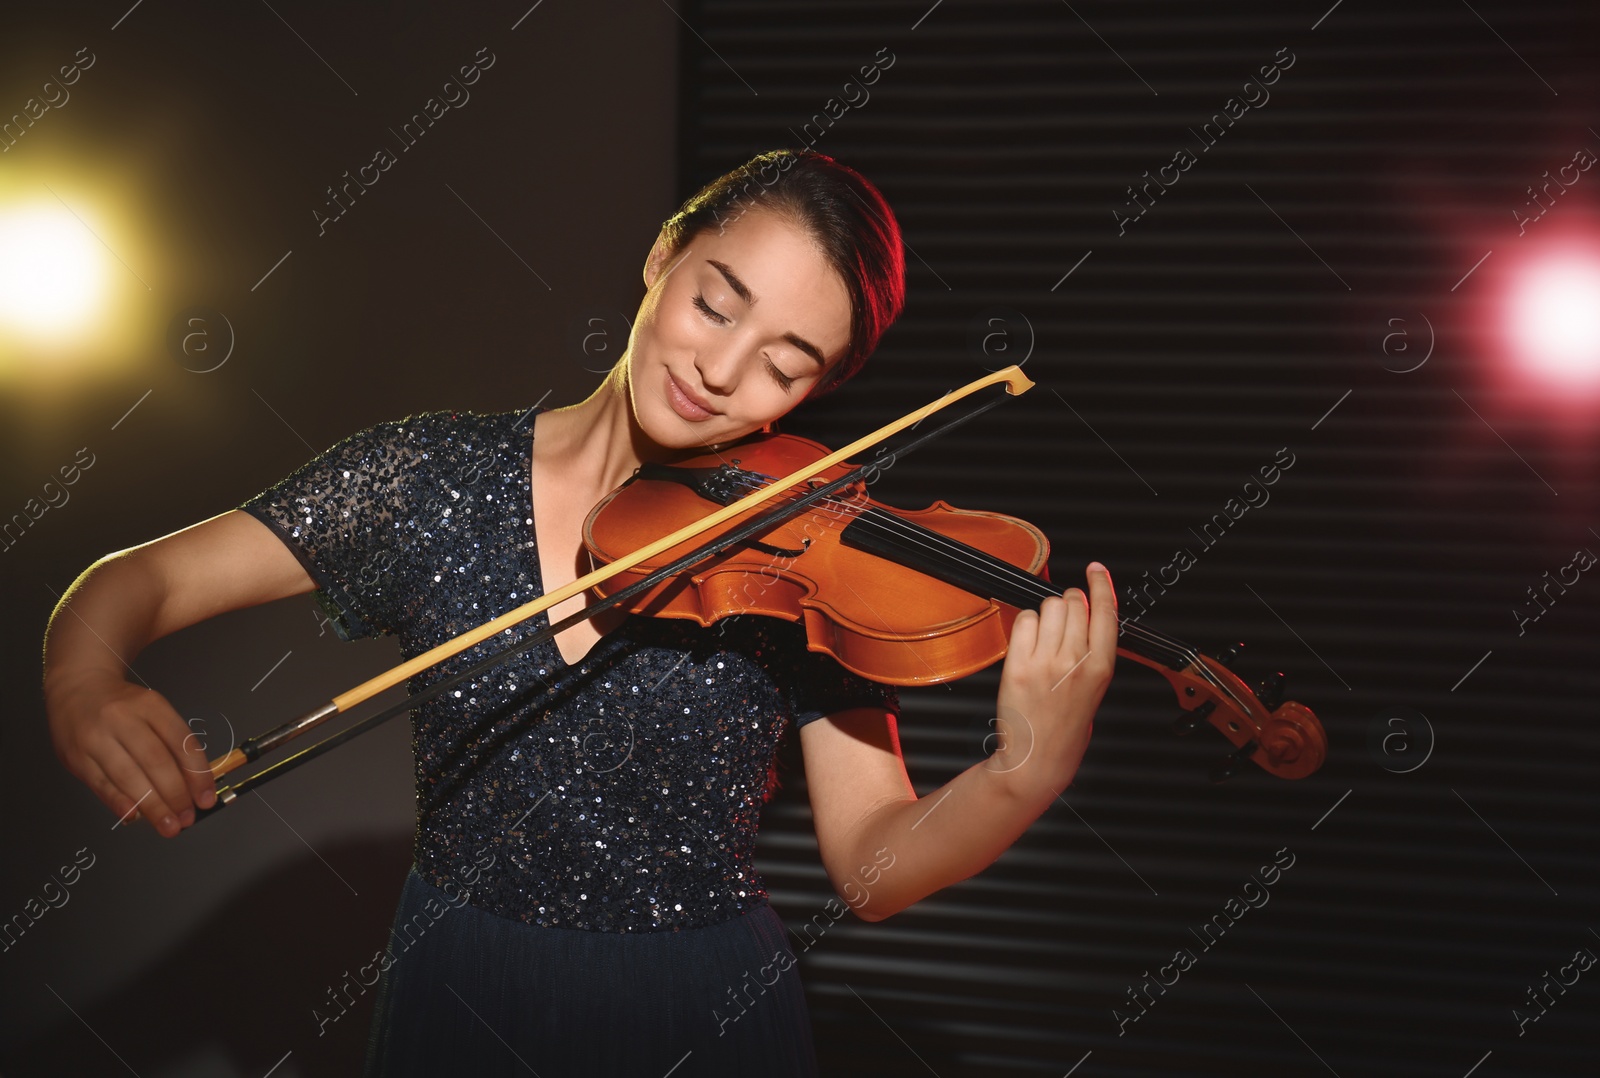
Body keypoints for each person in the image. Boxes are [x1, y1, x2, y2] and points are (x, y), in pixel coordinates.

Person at [41, 149, 1117, 1076]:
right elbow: (141, 582)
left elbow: (872, 867)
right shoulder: (425, 475)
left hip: (700, 1004)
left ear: (811, 396)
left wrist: (1022, 772)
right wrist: (85, 674)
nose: (720, 368)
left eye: (785, 366)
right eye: (714, 301)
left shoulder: (794, 552)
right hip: (461, 980)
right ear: (662, 256)